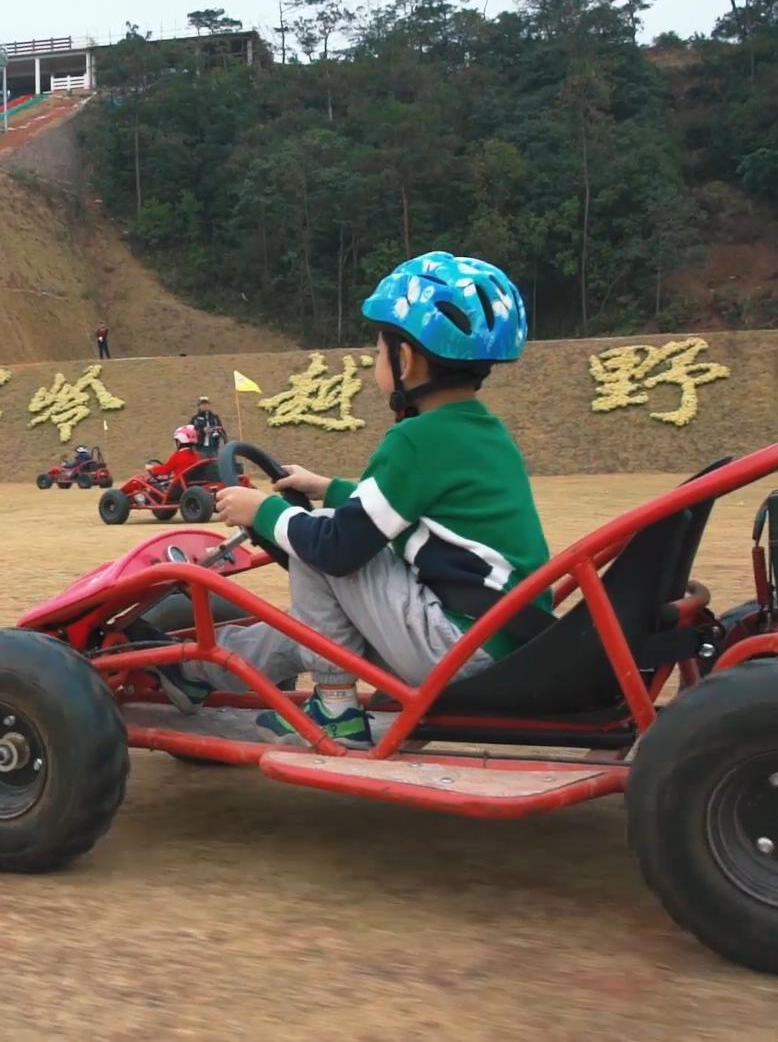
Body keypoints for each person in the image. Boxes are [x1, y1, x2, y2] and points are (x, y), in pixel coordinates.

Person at [137, 253, 549, 748]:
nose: (374, 362)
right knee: (324, 612)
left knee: (321, 543)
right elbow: (421, 514)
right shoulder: (481, 433)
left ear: (408, 360)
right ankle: (199, 670)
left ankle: (335, 711)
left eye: (378, 352)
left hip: (454, 649)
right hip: (499, 640)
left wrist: (264, 511)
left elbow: (338, 546)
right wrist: (327, 487)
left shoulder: (416, 440)